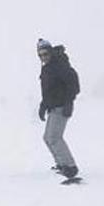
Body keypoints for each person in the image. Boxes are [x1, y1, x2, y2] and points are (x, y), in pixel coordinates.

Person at [37, 38, 81, 179]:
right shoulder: (47, 67)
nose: (44, 57)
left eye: (46, 53)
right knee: (47, 138)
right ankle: (61, 164)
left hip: (62, 107)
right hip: (53, 107)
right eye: (41, 54)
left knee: (54, 138)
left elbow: (74, 85)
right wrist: (43, 106)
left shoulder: (60, 66)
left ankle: (70, 167)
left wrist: (69, 102)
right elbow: (48, 91)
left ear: (50, 52)